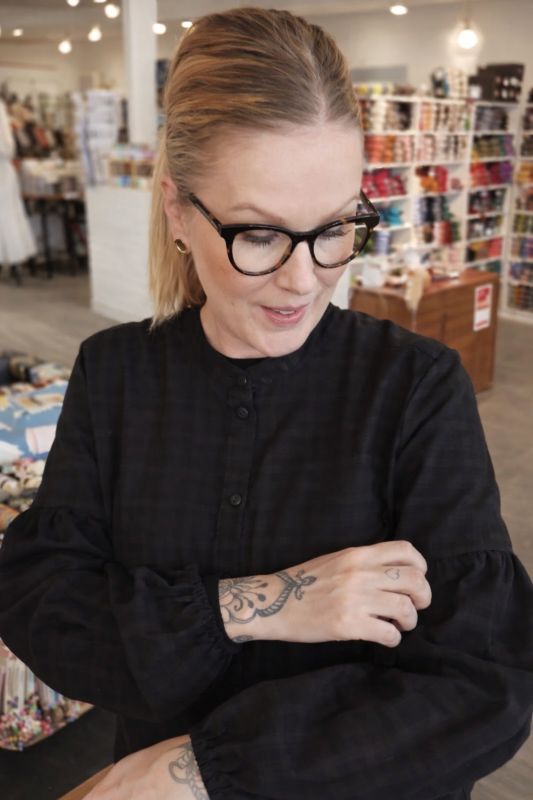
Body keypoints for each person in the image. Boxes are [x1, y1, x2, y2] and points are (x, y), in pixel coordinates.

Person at [0, 7, 533, 800]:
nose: (304, 279)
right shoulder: (114, 373)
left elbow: (479, 685)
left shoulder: (414, 386)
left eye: (336, 227)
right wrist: (248, 609)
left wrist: (199, 771)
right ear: (178, 211)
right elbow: (43, 605)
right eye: (257, 234)